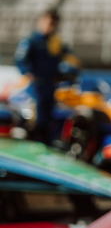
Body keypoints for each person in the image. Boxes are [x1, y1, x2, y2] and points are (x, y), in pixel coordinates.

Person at [15, 8, 80, 143]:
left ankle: (44, 141)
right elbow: (20, 59)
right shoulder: (31, 40)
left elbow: (71, 59)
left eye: (53, 24)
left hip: (51, 84)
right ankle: (32, 139)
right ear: (41, 21)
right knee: (35, 116)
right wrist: (28, 73)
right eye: (49, 23)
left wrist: (68, 72)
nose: (50, 26)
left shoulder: (56, 42)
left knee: (48, 117)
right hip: (36, 85)